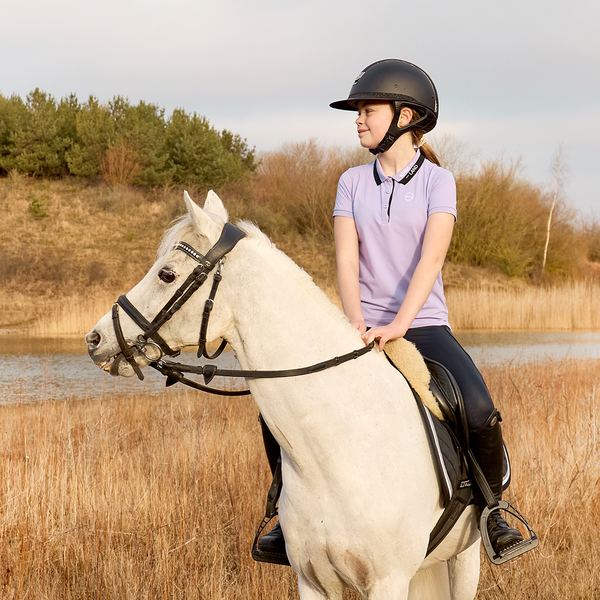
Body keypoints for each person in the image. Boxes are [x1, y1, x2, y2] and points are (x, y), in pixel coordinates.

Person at [256, 59, 524, 565]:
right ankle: (281, 515)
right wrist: (354, 320)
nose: (358, 119)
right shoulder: (350, 182)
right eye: (357, 111)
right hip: (357, 325)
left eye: (368, 110)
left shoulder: (439, 183)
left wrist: (400, 323)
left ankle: (493, 512)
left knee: (480, 410)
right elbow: (345, 257)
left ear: (406, 116)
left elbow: (432, 258)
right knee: (278, 404)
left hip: (421, 325)